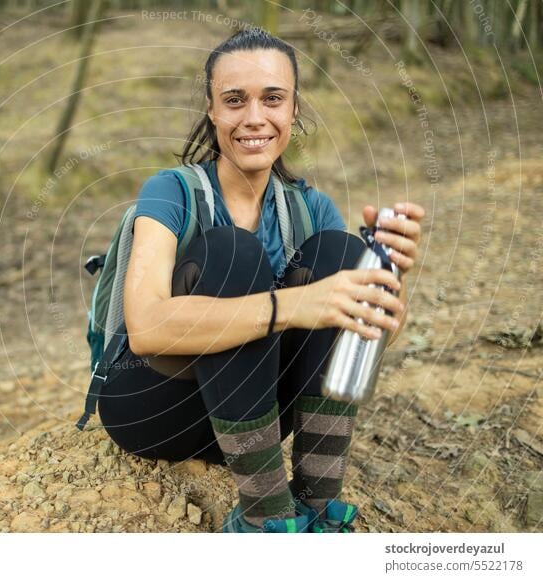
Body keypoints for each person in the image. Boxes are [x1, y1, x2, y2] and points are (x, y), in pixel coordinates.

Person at [96, 28, 425, 533]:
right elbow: (145, 327)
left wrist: (382, 303)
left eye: (273, 98)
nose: (254, 117)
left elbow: (342, 353)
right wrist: (293, 305)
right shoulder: (172, 192)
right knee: (233, 254)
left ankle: (318, 508)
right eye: (235, 100)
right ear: (211, 109)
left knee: (344, 253)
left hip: (262, 417)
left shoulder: (310, 208)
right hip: (157, 407)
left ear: (293, 109)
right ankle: (265, 521)